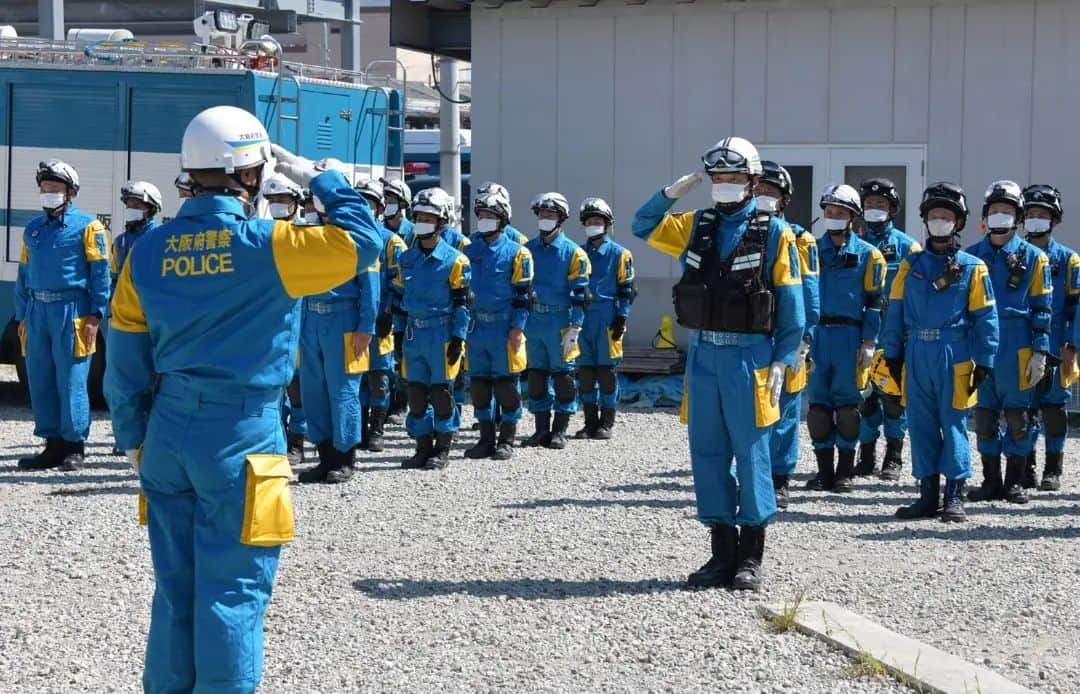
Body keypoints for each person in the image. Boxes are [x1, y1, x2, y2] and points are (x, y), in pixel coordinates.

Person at [104, 105, 383, 691]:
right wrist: (323, 178)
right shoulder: (272, 244)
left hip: (167, 434)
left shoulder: (147, 251)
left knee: (175, 591)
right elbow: (365, 241)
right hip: (241, 436)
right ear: (252, 176)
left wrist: (133, 437)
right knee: (232, 594)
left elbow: (125, 357)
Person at [632, 137, 804, 591]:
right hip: (704, 354)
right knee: (707, 455)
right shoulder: (695, 225)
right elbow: (641, 224)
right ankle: (720, 554)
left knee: (752, 455)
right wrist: (673, 191)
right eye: (717, 178)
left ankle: (751, 556)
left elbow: (792, 307)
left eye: (733, 177)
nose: (724, 185)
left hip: (751, 358)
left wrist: (785, 360)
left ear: (752, 181)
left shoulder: (774, 233)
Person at [883, 182, 998, 522]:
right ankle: (927, 495)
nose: (940, 221)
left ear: (959, 222)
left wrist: (986, 359)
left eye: (946, 216)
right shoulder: (910, 264)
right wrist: (892, 352)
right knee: (920, 424)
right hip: (917, 350)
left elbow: (986, 316)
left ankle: (955, 495)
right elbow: (895, 309)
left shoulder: (974, 267)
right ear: (925, 219)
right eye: (934, 215)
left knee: (954, 422)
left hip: (955, 351)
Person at [15, 159, 109, 471]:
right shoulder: (33, 230)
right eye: (44, 189)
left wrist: (96, 315)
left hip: (73, 312)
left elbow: (100, 274)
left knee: (71, 380)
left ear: (71, 192)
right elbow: (23, 275)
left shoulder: (88, 227)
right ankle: (51, 446)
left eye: (55, 189)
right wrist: (22, 317)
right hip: (37, 310)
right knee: (39, 378)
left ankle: (74, 446)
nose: (48, 194)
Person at [965, 181, 1052, 506]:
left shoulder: (1035, 258)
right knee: (985, 417)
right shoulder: (970, 257)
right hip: (981, 344)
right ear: (985, 217)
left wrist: (1040, 350)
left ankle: (1014, 482)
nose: (1000, 216)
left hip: (1018, 343)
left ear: (1018, 217)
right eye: (995, 211)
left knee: (1018, 417)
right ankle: (990, 480)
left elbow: (1043, 307)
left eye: (1007, 211)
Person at [293, 188, 382, 484]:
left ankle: (345, 459)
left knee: (343, 391)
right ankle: (324, 457)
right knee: (313, 391)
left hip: (345, 320)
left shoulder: (360, 239)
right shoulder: (312, 238)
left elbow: (371, 289)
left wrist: (366, 327)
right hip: (310, 318)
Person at [805, 185, 886, 493]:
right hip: (818, 335)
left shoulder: (870, 255)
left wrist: (869, 342)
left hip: (850, 337)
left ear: (853, 216)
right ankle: (824, 471)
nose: (833, 217)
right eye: (828, 211)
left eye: (839, 213)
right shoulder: (810, 251)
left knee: (849, 406)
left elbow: (875, 302)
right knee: (818, 407)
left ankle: (845, 471)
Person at [393, 187, 472, 469]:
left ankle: (442, 449)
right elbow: (399, 301)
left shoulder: (456, 260)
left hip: (441, 334)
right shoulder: (406, 259)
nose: (422, 222)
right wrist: (398, 333)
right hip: (414, 333)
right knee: (415, 394)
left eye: (429, 217)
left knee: (440, 393)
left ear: (442, 222)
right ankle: (422, 447)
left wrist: (458, 338)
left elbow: (462, 305)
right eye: (419, 216)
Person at [757, 162, 819, 509]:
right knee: (750, 408)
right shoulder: (739, 232)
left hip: (787, 334)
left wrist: (804, 339)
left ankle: (780, 480)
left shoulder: (800, 238)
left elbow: (809, 292)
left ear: (784, 199)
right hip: (750, 334)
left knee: (786, 409)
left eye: (772, 193)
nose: (765, 197)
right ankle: (753, 477)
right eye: (760, 190)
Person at [856, 178, 921, 480]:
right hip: (861, 334)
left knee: (893, 400)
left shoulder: (909, 248)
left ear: (892, 209)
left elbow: (917, 294)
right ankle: (866, 456)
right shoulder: (853, 244)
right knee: (865, 399)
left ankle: (893, 457)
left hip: (894, 335)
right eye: (869, 205)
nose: (874, 210)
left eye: (880, 205)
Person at [463, 192, 534, 459]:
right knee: (479, 386)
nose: (484, 220)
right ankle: (484, 439)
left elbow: (523, 296)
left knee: (506, 386)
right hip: (476, 328)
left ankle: (507, 439)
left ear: (503, 220)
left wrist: (518, 328)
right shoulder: (469, 251)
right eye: (481, 216)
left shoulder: (518, 253)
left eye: (490, 216)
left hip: (505, 329)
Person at [523, 192, 591, 449]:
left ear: (561, 219)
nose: (545, 219)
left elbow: (581, 295)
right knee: (537, 377)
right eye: (541, 215)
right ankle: (541, 430)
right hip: (534, 321)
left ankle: (559, 430)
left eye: (550, 215)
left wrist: (576, 326)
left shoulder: (574, 253)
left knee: (563, 378)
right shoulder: (527, 250)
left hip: (561, 320)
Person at [1021, 185, 1077, 491]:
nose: (1036, 220)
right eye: (1030, 214)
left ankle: (1053, 469)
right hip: (1021, 346)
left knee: (1054, 410)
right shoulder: (1015, 256)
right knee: (1023, 409)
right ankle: (1025, 467)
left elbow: (1076, 306)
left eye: (1042, 215)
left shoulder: (1069, 260)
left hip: (1056, 347)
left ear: (1054, 219)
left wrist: (1073, 345)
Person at [574, 197, 636, 440]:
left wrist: (622, 316)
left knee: (607, 373)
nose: (593, 224)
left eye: (597, 220)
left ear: (607, 223)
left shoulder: (620, 254)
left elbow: (627, 288)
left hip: (608, 316)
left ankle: (606, 423)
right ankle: (589, 422)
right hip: (584, 317)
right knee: (586, 373)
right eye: (589, 221)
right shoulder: (578, 253)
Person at [354, 178, 407, 452]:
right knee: (355, 377)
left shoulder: (391, 242)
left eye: (370, 201)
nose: (364, 206)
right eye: (359, 199)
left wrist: (389, 310)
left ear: (379, 207)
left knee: (380, 377)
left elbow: (401, 280)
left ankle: (376, 429)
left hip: (381, 322)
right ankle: (358, 428)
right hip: (352, 321)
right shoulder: (346, 238)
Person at [262, 174, 308, 463]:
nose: (277, 206)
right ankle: (274, 441)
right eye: (273, 201)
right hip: (271, 323)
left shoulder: (307, 235)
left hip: (303, 323)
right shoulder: (263, 234)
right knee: (272, 388)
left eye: (283, 200)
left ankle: (297, 442)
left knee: (298, 389)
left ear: (296, 203)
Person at [378, 177, 414, 424]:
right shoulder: (378, 232)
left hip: (406, 302)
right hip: (383, 303)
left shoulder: (413, 232)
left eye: (392, 200)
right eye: (385, 200)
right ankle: (386, 401)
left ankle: (401, 404)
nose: (387, 204)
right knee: (385, 357)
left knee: (403, 354)